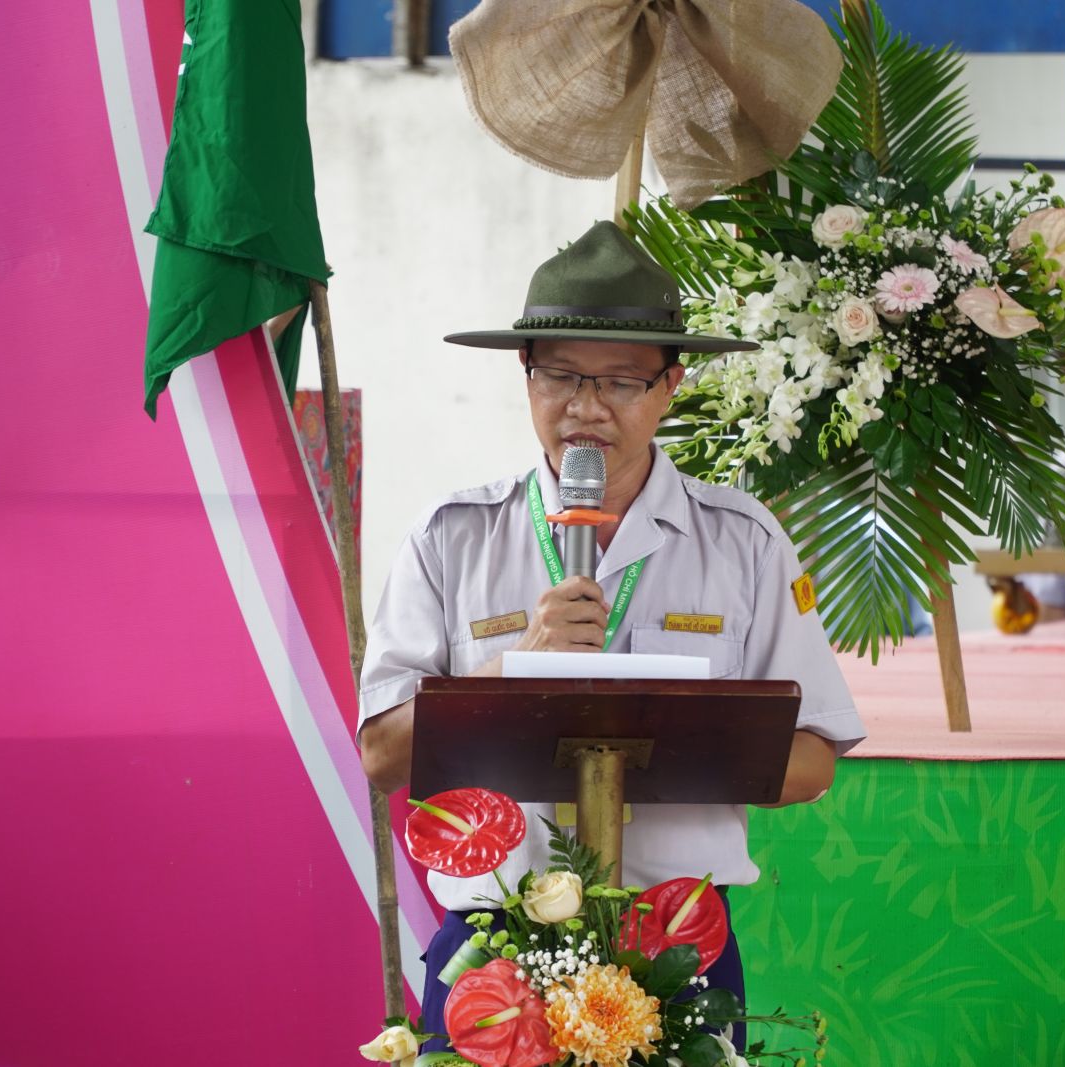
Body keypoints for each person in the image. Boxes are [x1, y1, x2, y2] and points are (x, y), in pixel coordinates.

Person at [357, 221, 866, 1048]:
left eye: (621, 381)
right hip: (495, 950)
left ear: (671, 386)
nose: (586, 406)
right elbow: (383, 754)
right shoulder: (451, 536)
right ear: (525, 375)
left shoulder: (743, 542)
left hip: (678, 944)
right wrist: (512, 670)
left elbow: (813, 760)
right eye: (560, 374)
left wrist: (671, 742)